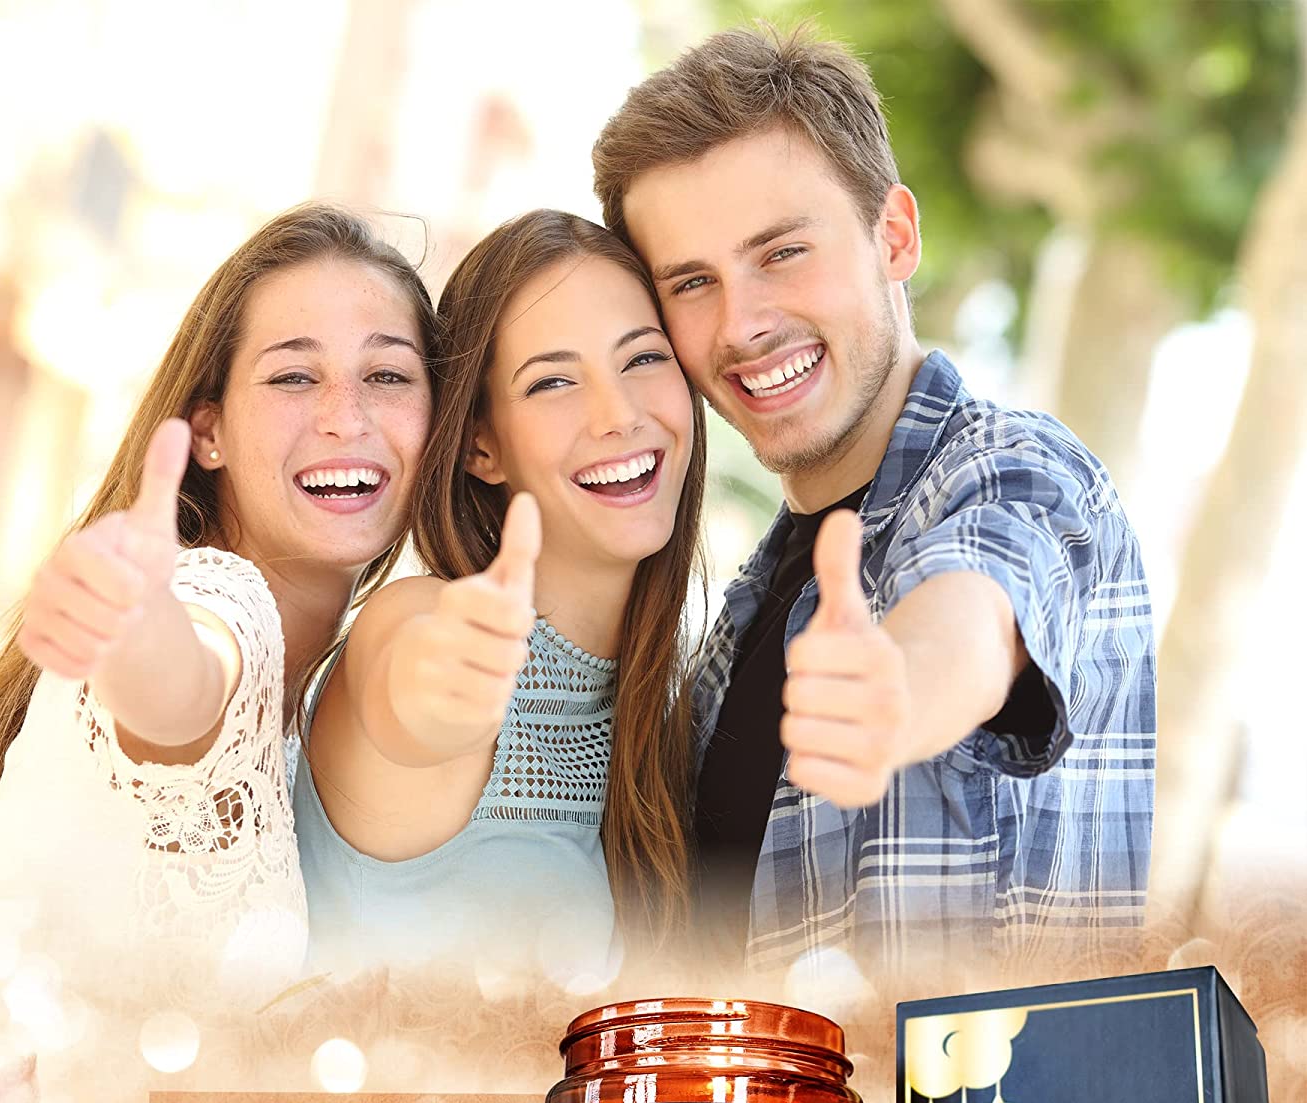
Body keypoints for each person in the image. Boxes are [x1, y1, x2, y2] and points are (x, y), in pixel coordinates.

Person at [592, 25, 1156, 978]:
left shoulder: (1019, 470)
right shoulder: (740, 616)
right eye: (693, 282)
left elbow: (976, 603)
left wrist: (898, 696)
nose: (742, 324)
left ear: (893, 236)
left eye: (782, 253)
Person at [0, 205, 437, 1002]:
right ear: (207, 433)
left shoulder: (341, 686)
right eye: (293, 375)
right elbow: (184, 681)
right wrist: (134, 628)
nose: (344, 416)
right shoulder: (212, 601)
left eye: (386, 375)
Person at [297, 210, 706, 982]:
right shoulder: (419, 620)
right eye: (552, 381)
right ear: (483, 445)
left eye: (643, 359)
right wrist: (444, 690)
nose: (618, 415)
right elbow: (411, 692)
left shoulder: (673, 702)